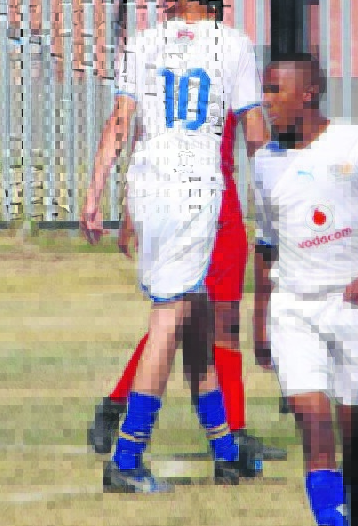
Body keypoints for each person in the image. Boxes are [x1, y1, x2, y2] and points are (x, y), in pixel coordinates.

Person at [79, 0, 268, 493]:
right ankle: (127, 456)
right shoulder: (234, 45)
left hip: (148, 187)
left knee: (197, 317)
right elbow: (254, 133)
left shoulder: (143, 43)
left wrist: (95, 194)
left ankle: (226, 452)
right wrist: (279, 191)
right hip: (195, 191)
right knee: (169, 319)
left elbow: (121, 123)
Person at [89, 109, 286, 462]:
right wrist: (132, 208)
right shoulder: (160, 80)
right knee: (176, 315)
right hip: (176, 203)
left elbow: (257, 135)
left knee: (225, 321)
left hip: (222, 203)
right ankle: (115, 406)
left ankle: (234, 431)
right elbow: (142, 137)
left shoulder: (234, 75)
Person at [253, 53, 358, 526]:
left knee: (356, 441)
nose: (266, 100)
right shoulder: (265, 162)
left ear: (309, 92)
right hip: (293, 309)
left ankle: (354, 508)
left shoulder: (357, 143)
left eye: (276, 90)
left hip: (351, 306)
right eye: (265, 90)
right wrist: (259, 320)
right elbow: (266, 245)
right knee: (314, 426)